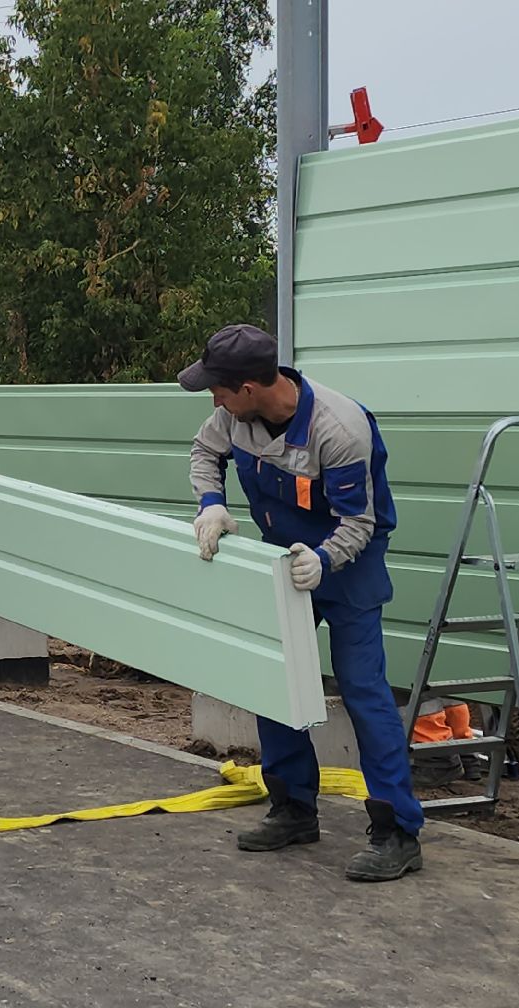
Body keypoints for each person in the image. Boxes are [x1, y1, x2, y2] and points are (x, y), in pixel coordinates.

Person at [180, 323, 424, 882]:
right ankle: (293, 808)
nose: (212, 399)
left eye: (218, 388)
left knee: (363, 692)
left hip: (347, 566)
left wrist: (327, 560)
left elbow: (358, 521)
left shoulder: (338, 430)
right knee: (274, 681)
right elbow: (203, 451)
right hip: (279, 563)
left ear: (247, 387)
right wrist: (211, 504)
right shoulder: (232, 418)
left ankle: (398, 832)